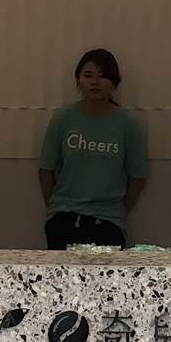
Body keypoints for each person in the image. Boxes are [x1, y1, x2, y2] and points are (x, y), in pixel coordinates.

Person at [37, 49, 147, 250]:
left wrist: (119, 212)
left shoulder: (127, 124)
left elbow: (138, 176)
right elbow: (45, 169)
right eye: (88, 76)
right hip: (64, 216)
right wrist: (54, 209)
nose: (94, 82)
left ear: (114, 83)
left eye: (102, 76)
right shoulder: (63, 118)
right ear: (78, 81)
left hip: (108, 220)